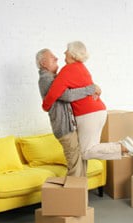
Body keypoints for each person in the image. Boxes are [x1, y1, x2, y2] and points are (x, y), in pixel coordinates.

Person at [42, 41, 133, 174]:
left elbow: (55, 93)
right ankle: (123, 148)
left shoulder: (67, 70)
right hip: (99, 111)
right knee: (89, 149)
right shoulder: (82, 68)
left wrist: (45, 106)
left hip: (87, 114)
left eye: (66, 50)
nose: (64, 53)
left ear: (72, 54)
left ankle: (123, 146)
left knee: (86, 151)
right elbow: (88, 88)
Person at [36, 48, 101, 176]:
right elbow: (67, 96)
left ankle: (80, 194)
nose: (56, 58)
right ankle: (73, 195)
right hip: (65, 129)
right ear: (43, 63)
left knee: (81, 163)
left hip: (70, 127)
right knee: (76, 168)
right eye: (52, 57)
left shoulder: (55, 77)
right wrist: (91, 89)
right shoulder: (45, 79)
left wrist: (92, 88)